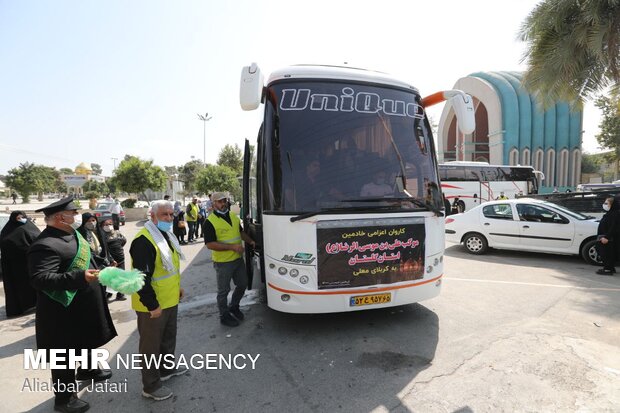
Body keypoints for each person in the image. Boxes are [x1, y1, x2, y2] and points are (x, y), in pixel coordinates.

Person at [28, 196, 116, 412]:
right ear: (60, 217)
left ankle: (87, 370)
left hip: (84, 306)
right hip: (62, 312)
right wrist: (80, 277)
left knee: (86, 340)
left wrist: (104, 265)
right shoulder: (45, 245)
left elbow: (88, 257)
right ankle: (64, 399)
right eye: (74, 213)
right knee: (64, 355)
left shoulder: (72, 234)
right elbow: (40, 279)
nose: (78, 216)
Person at [130, 200, 187, 401]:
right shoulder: (144, 241)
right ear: (152, 216)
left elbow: (169, 267)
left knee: (168, 338)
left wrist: (177, 287)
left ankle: (166, 369)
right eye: (165, 215)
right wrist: (152, 305)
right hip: (153, 305)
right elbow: (141, 278)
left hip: (169, 299)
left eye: (171, 215)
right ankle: (151, 386)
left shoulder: (166, 235)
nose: (170, 219)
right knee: (150, 347)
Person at [204, 192, 255, 327]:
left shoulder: (233, 216)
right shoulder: (209, 222)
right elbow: (210, 244)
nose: (223, 204)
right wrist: (232, 247)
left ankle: (234, 306)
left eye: (224, 201)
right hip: (223, 263)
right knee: (223, 291)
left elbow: (241, 232)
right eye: (220, 202)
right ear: (213, 204)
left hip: (238, 260)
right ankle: (224, 315)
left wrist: (250, 242)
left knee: (243, 284)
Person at [0, 211, 40, 316]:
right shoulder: (7, 231)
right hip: (14, 266)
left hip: (30, 264)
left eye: (22, 217)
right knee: (18, 288)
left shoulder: (30, 227)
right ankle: (19, 308)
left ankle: (34, 304)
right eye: (18, 217)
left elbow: (39, 239)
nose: (21, 219)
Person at [100, 218, 127, 300]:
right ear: (101, 226)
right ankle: (108, 294)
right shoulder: (101, 235)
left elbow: (123, 241)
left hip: (120, 259)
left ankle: (120, 294)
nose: (109, 226)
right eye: (106, 224)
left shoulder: (117, 233)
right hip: (109, 261)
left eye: (110, 224)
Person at [595, 197, 620, 275]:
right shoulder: (611, 213)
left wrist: (607, 237)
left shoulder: (615, 214)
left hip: (608, 239)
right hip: (604, 237)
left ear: (612, 205)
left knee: (607, 253)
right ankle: (610, 268)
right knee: (605, 253)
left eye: (606, 203)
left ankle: (608, 270)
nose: (604, 205)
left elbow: (614, 227)